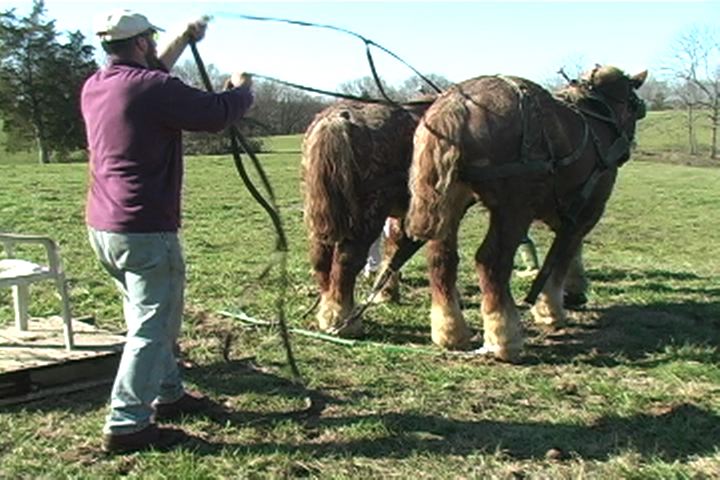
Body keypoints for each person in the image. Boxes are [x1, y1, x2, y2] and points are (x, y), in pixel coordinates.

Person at [81, 9, 254, 453]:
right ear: (140, 44)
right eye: (152, 42)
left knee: (145, 318)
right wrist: (241, 90)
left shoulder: (99, 85)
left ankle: (169, 395)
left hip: (105, 227)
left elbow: (151, 74)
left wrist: (181, 36)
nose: (156, 48)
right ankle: (127, 424)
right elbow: (216, 114)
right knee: (153, 327)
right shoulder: (154, 88)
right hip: (145, 229)